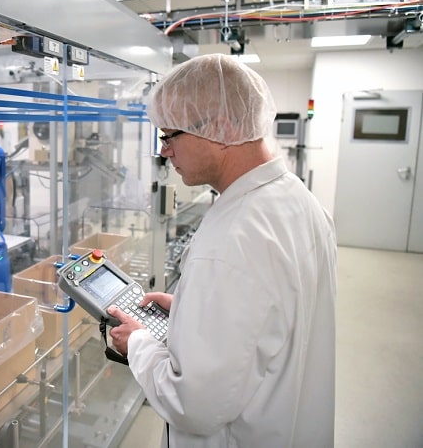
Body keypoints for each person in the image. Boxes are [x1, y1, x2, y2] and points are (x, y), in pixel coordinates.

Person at [107, 54, 337, 448]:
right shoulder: (297, 199)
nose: (164, 152)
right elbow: (267, 318)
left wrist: (140, 345)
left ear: (221, 127)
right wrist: (191, 309)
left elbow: (193, 404)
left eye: (169, 135)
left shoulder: (236, 236)